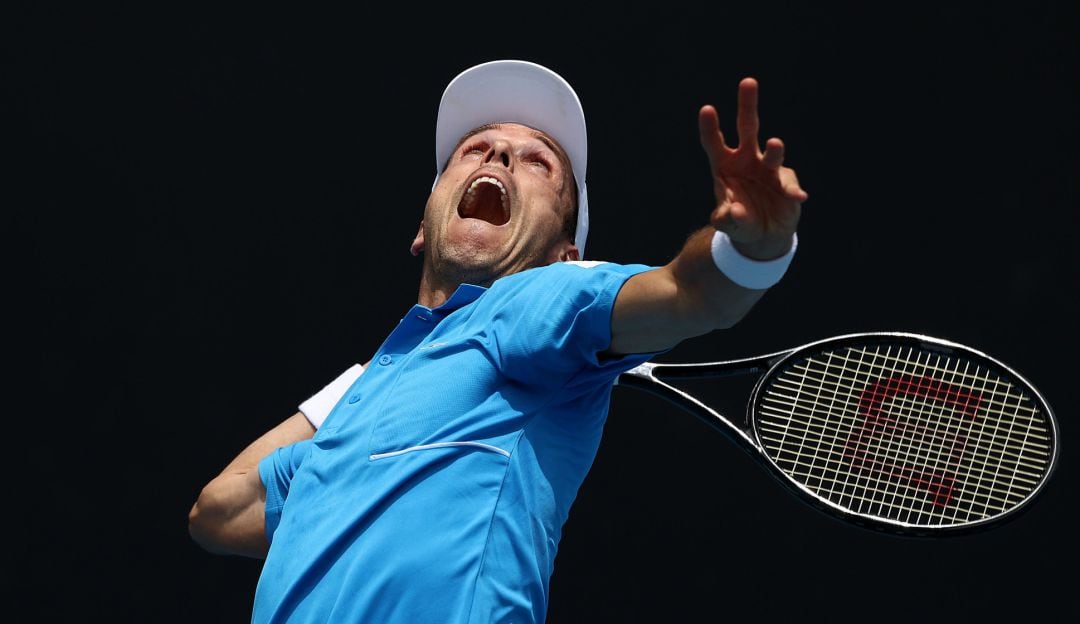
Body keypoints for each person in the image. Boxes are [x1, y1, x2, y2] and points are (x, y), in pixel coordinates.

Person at [188, 59, 807, 622]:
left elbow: (693, 296)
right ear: (422, 229)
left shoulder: (539, 304)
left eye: (538, 161)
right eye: (475, 149)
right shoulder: (356, 411)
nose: (499, 158)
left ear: (565, 256)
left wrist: (753, 248)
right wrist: (373, 375)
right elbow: (218, 510)